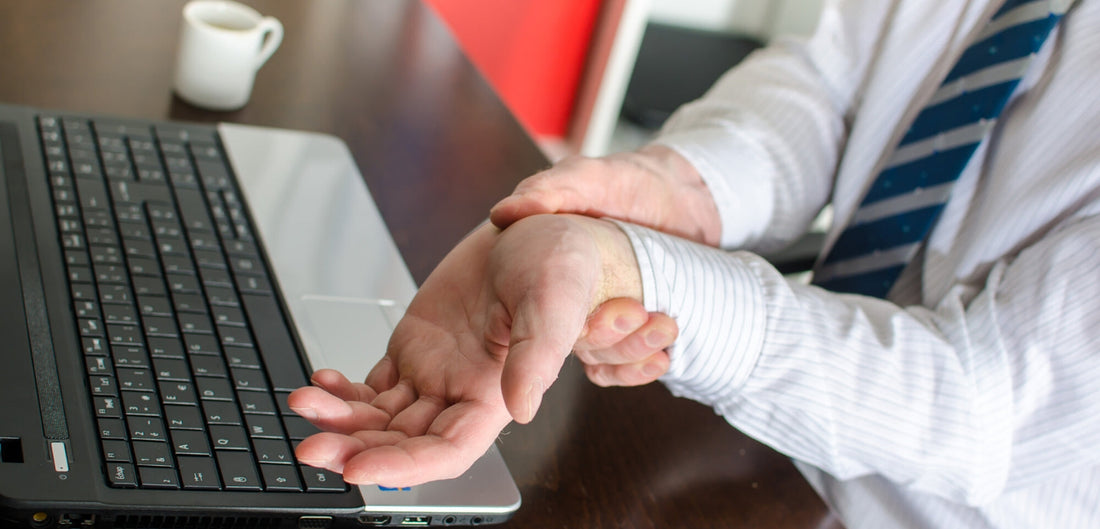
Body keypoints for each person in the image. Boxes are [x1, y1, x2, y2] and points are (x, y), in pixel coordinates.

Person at [287, 0, 1100, 526]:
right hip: (770, 444)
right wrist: (676, 184)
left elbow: (982, 404)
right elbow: (827, 85)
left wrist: (639, 270)